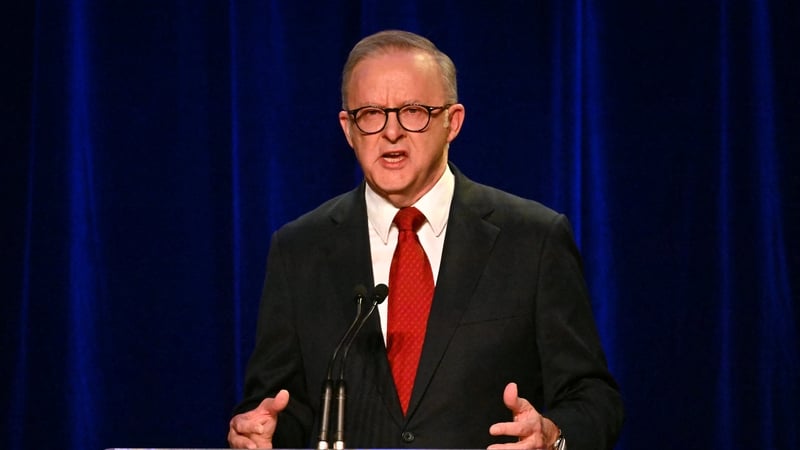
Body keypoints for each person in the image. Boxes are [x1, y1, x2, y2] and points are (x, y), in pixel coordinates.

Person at [228, 29, 623, 450]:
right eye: (371, 114)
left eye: (413, 111)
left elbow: (594, 399)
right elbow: (278, 406)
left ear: (453, 122)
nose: (391, 132)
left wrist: (553, 436)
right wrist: (260, 433)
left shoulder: (533, 239)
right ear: (348, 129)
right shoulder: (299, 250)